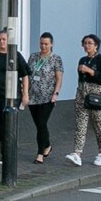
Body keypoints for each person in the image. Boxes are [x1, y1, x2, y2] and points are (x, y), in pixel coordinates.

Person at [64, 32, 101, 167]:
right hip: (82, 93)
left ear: (96, 46)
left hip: (96, 94)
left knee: (98, 123)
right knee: (80, 123)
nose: (87, 46)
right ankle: (77, 153)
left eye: (90, 43)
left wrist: (91, 71)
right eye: (85, 43)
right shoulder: (82, 60)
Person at [27, 32, 65, 163]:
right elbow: (28, 75)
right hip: (33, 96)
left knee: (42, 123)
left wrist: (56, 94)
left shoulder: (56, 59)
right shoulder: (33, 57)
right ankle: (47, 145)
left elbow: (59, 78)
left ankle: (40, 154)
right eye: (41, 44)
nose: (43, 46)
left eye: (46, 44)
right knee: (39, 125)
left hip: (47, 97)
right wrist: (25, 92)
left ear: (51, 44)